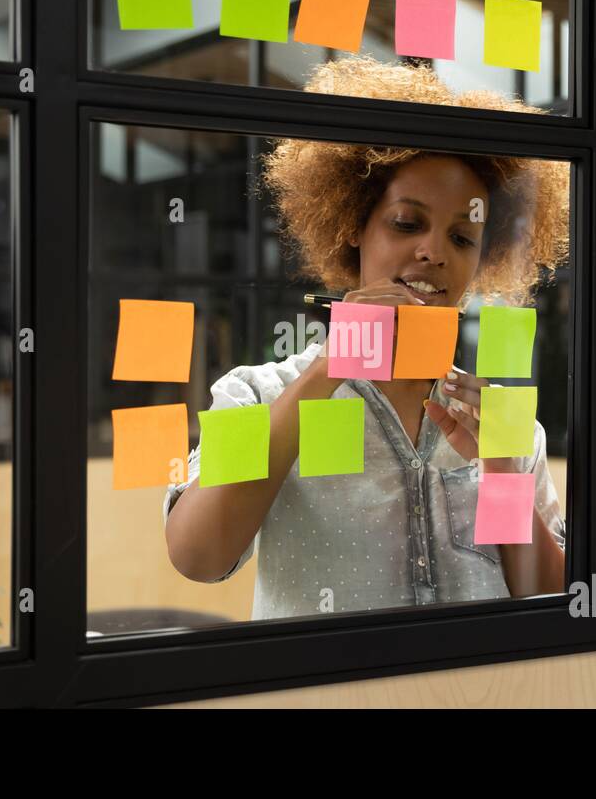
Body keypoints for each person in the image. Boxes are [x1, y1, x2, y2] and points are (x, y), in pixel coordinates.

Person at [164, 57, 570, 620]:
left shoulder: (501, 421)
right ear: (353, 226)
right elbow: (197, 555)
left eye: (462, 236)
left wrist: (502, 473)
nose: (435, 251)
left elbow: (547, 600)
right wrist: (329, 368)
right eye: (407, 223)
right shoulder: (260, 394)